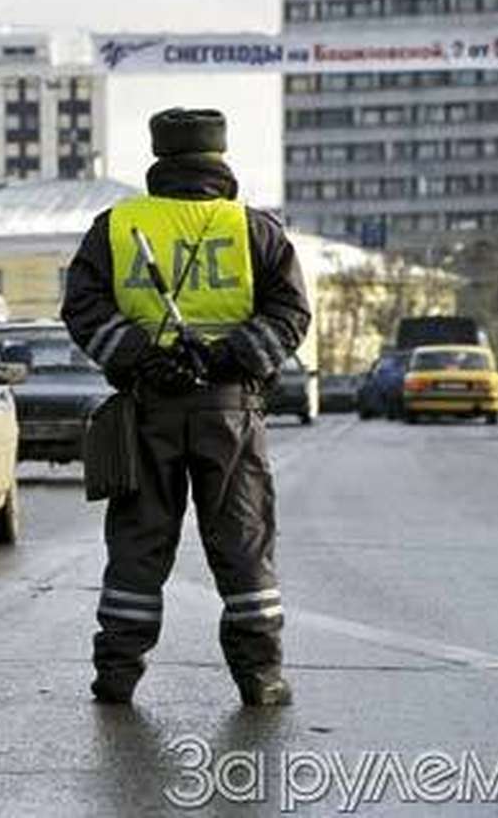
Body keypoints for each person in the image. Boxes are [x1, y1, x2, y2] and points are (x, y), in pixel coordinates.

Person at [60, 108, 312, 707]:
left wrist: (143, 358)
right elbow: (291, 313)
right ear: (220, 161)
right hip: (230, 412)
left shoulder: (118, 226)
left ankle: (117, 675)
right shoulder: (255, 229)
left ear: (159, 160)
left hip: (148, 411)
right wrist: (229, 358)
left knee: (138, 545)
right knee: (243, 541)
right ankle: (261, 676)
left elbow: (83, 309)